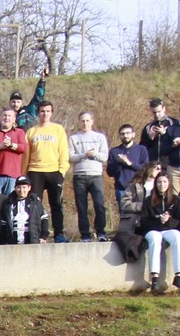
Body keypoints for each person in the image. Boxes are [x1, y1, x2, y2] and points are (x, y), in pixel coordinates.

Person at [23, 101, 70, 240]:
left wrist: (62, 171)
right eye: (42, 111)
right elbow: (26, 155)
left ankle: (59, 234)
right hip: (35, 171)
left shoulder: (58, 129)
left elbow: (63, 151)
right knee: (34, 205)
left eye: (48, 111)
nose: (45, 114)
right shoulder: (31, 131)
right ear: (38, 113)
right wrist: (24, 174)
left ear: (52, 113)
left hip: (54, 171)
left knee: (56, 204)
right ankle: (36, 234)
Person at [138, 171, 180, 292]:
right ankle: (155, 277)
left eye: (164, 182)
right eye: (159, 182)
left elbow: (179, 221)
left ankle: (178, 276)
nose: (161, 185)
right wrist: (159, 222)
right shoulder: (148, 201)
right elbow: (144, 221)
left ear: (169, 183)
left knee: (177, 236)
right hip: (153, 230)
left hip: (169, 229)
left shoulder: (175, 200)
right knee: (155, 239)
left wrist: (168, 221)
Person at [69, 111, 110, 241]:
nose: (85, 123)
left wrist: (94, 154)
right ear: (79, 122)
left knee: (99, 205)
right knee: (82, 207)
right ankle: (85, 235)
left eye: (87, 120)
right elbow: (70, 157)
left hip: (96, 175)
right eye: (82, 121)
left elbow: (104, 156)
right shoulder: (74, 138)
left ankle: (101, 233)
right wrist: (83, 155)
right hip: (79, 176)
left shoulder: (99, 137)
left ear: (92, 121)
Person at [106, 124, 150, 207]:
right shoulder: (114, 151)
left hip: (138, 188)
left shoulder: (141, 149)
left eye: (128, 133)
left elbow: (146, 169)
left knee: (140, 213)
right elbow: (110, 172)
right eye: (122, 134)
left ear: (133, 134)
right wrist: (119, 163)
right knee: (124, 214)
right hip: (121, 189)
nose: (125, 136)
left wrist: (130, 164)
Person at [0, 176, 49, 245]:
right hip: (13, 242)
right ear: (15, 188)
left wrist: (43, 236)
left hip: (32, 241)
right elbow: (4, 223)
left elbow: (44, 219)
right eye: (19, 187)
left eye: (24, 187)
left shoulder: (35, 202)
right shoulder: (8, 203)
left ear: (29, 188)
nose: (21, 190)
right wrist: (3, 241)